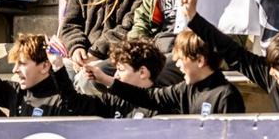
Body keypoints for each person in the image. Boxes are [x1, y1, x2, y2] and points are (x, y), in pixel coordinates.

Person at [86, 26, 245, 114]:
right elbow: (148, 96)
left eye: (181, 58)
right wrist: (106, 79)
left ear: (200, 60)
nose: (177, 64)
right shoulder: (184, 90)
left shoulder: (226, 96)